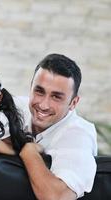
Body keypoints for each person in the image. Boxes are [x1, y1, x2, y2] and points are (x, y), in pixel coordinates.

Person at [15, 54, 97, 199]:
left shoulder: (79, 135)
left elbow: (57, 197)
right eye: (39, 91)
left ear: (73, 103)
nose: (43, 105)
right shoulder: (16, 108)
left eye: (56, 97)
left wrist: (28, 150)